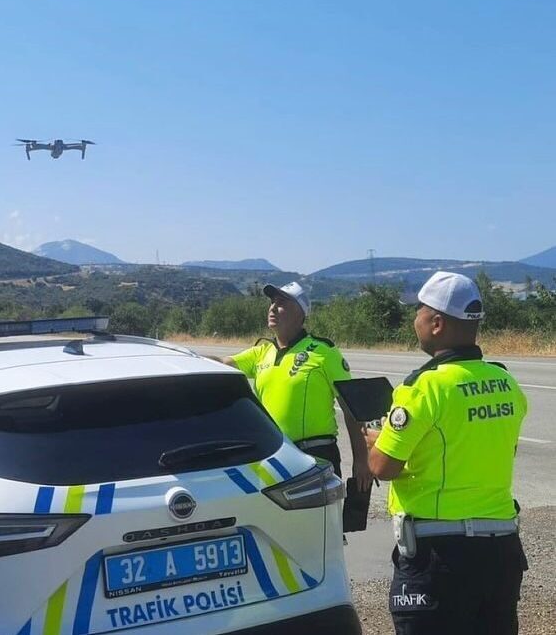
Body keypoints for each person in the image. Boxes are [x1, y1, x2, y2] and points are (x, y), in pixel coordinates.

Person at [367, 271, 528, 634]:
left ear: (436, 323)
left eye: (419, 312)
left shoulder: (424, 387)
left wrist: (374, 442)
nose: (415, 320)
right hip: (501, 551)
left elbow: (383, 467)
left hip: (439, 556)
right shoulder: (505, 382)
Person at [219, 281, 371, 490]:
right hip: (273, 456)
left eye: (282, 303)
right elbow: (221, 364)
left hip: (314, 455)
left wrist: (361, 461)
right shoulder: (262, 352)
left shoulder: (323, 352)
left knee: (317, 522)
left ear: (301, 313)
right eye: (272, 302)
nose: (273, 307)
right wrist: (180, 355)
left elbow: (352, 411)